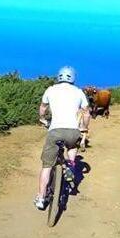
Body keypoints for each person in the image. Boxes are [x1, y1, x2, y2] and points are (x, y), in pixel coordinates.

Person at [35, 66, 90, 210]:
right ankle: (71, 165)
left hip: (55, 131)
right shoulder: (79, 92)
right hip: (73, 131)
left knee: (47, 166)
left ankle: (41, 198)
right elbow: (86, 113)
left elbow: (43, 108)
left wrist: (42, 118)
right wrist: (84, 127)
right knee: (72, 147)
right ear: (73, 77)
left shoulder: (50, 90)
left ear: (59, 76)